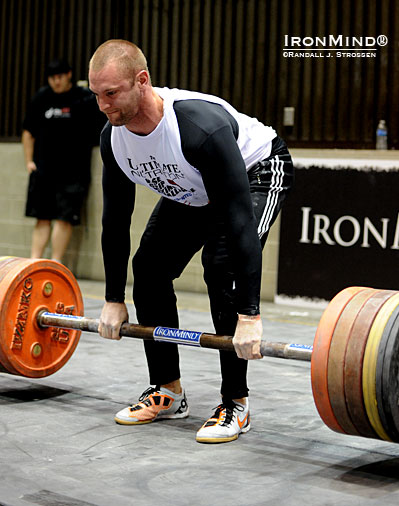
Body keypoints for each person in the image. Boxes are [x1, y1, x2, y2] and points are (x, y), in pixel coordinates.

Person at [89, 39, 294, 443]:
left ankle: (236, 403)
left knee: (221, 267)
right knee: (148, 268)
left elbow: (236, 221)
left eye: (111, 94)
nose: (103, 105)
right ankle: (167, 390)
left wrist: (249, 315)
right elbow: (115, 220)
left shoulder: (198, 125)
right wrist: (114, 298)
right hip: (196, 185)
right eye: (96, 95)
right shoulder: (114, 138)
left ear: (142, 81)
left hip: (257, 169)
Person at [22, 59, 104, 262]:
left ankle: (55, 262)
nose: (56, 82)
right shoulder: (41, 98)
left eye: (59, 77)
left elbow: (102, 127)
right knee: (42, 217)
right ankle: (34, 262)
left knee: (64, 218)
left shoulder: (83, 98)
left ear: (68, 75)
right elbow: (28, 131)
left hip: (73, 171)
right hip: (43, 169)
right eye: (52, 78)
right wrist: (29, 161)